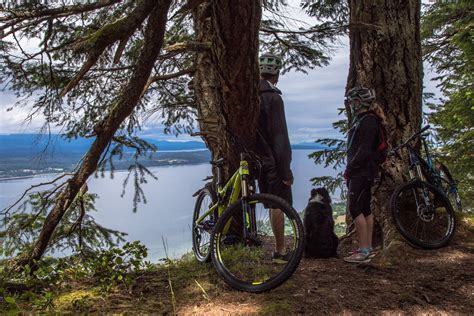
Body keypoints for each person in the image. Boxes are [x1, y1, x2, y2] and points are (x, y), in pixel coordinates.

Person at [342, 86, 387, 263]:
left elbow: (364, 150)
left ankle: (363, 250)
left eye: (353, 101)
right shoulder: (367, 120)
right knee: (366, 208)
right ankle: (367, 248)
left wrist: (350, 169)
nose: (351, 105)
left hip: (361, 171)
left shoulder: (368, 121)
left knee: (355, 208)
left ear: (360, 102)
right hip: (364, 171)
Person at [256, 53, 293, 263]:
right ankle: (280, 251)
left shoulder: (252, 95)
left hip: (258, 158)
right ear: (277, 74)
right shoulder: (273, 98)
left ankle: (278, 248)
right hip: (273, 160)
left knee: (271, 203)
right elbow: (280, 137)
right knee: (278, 203)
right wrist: (286, 170)